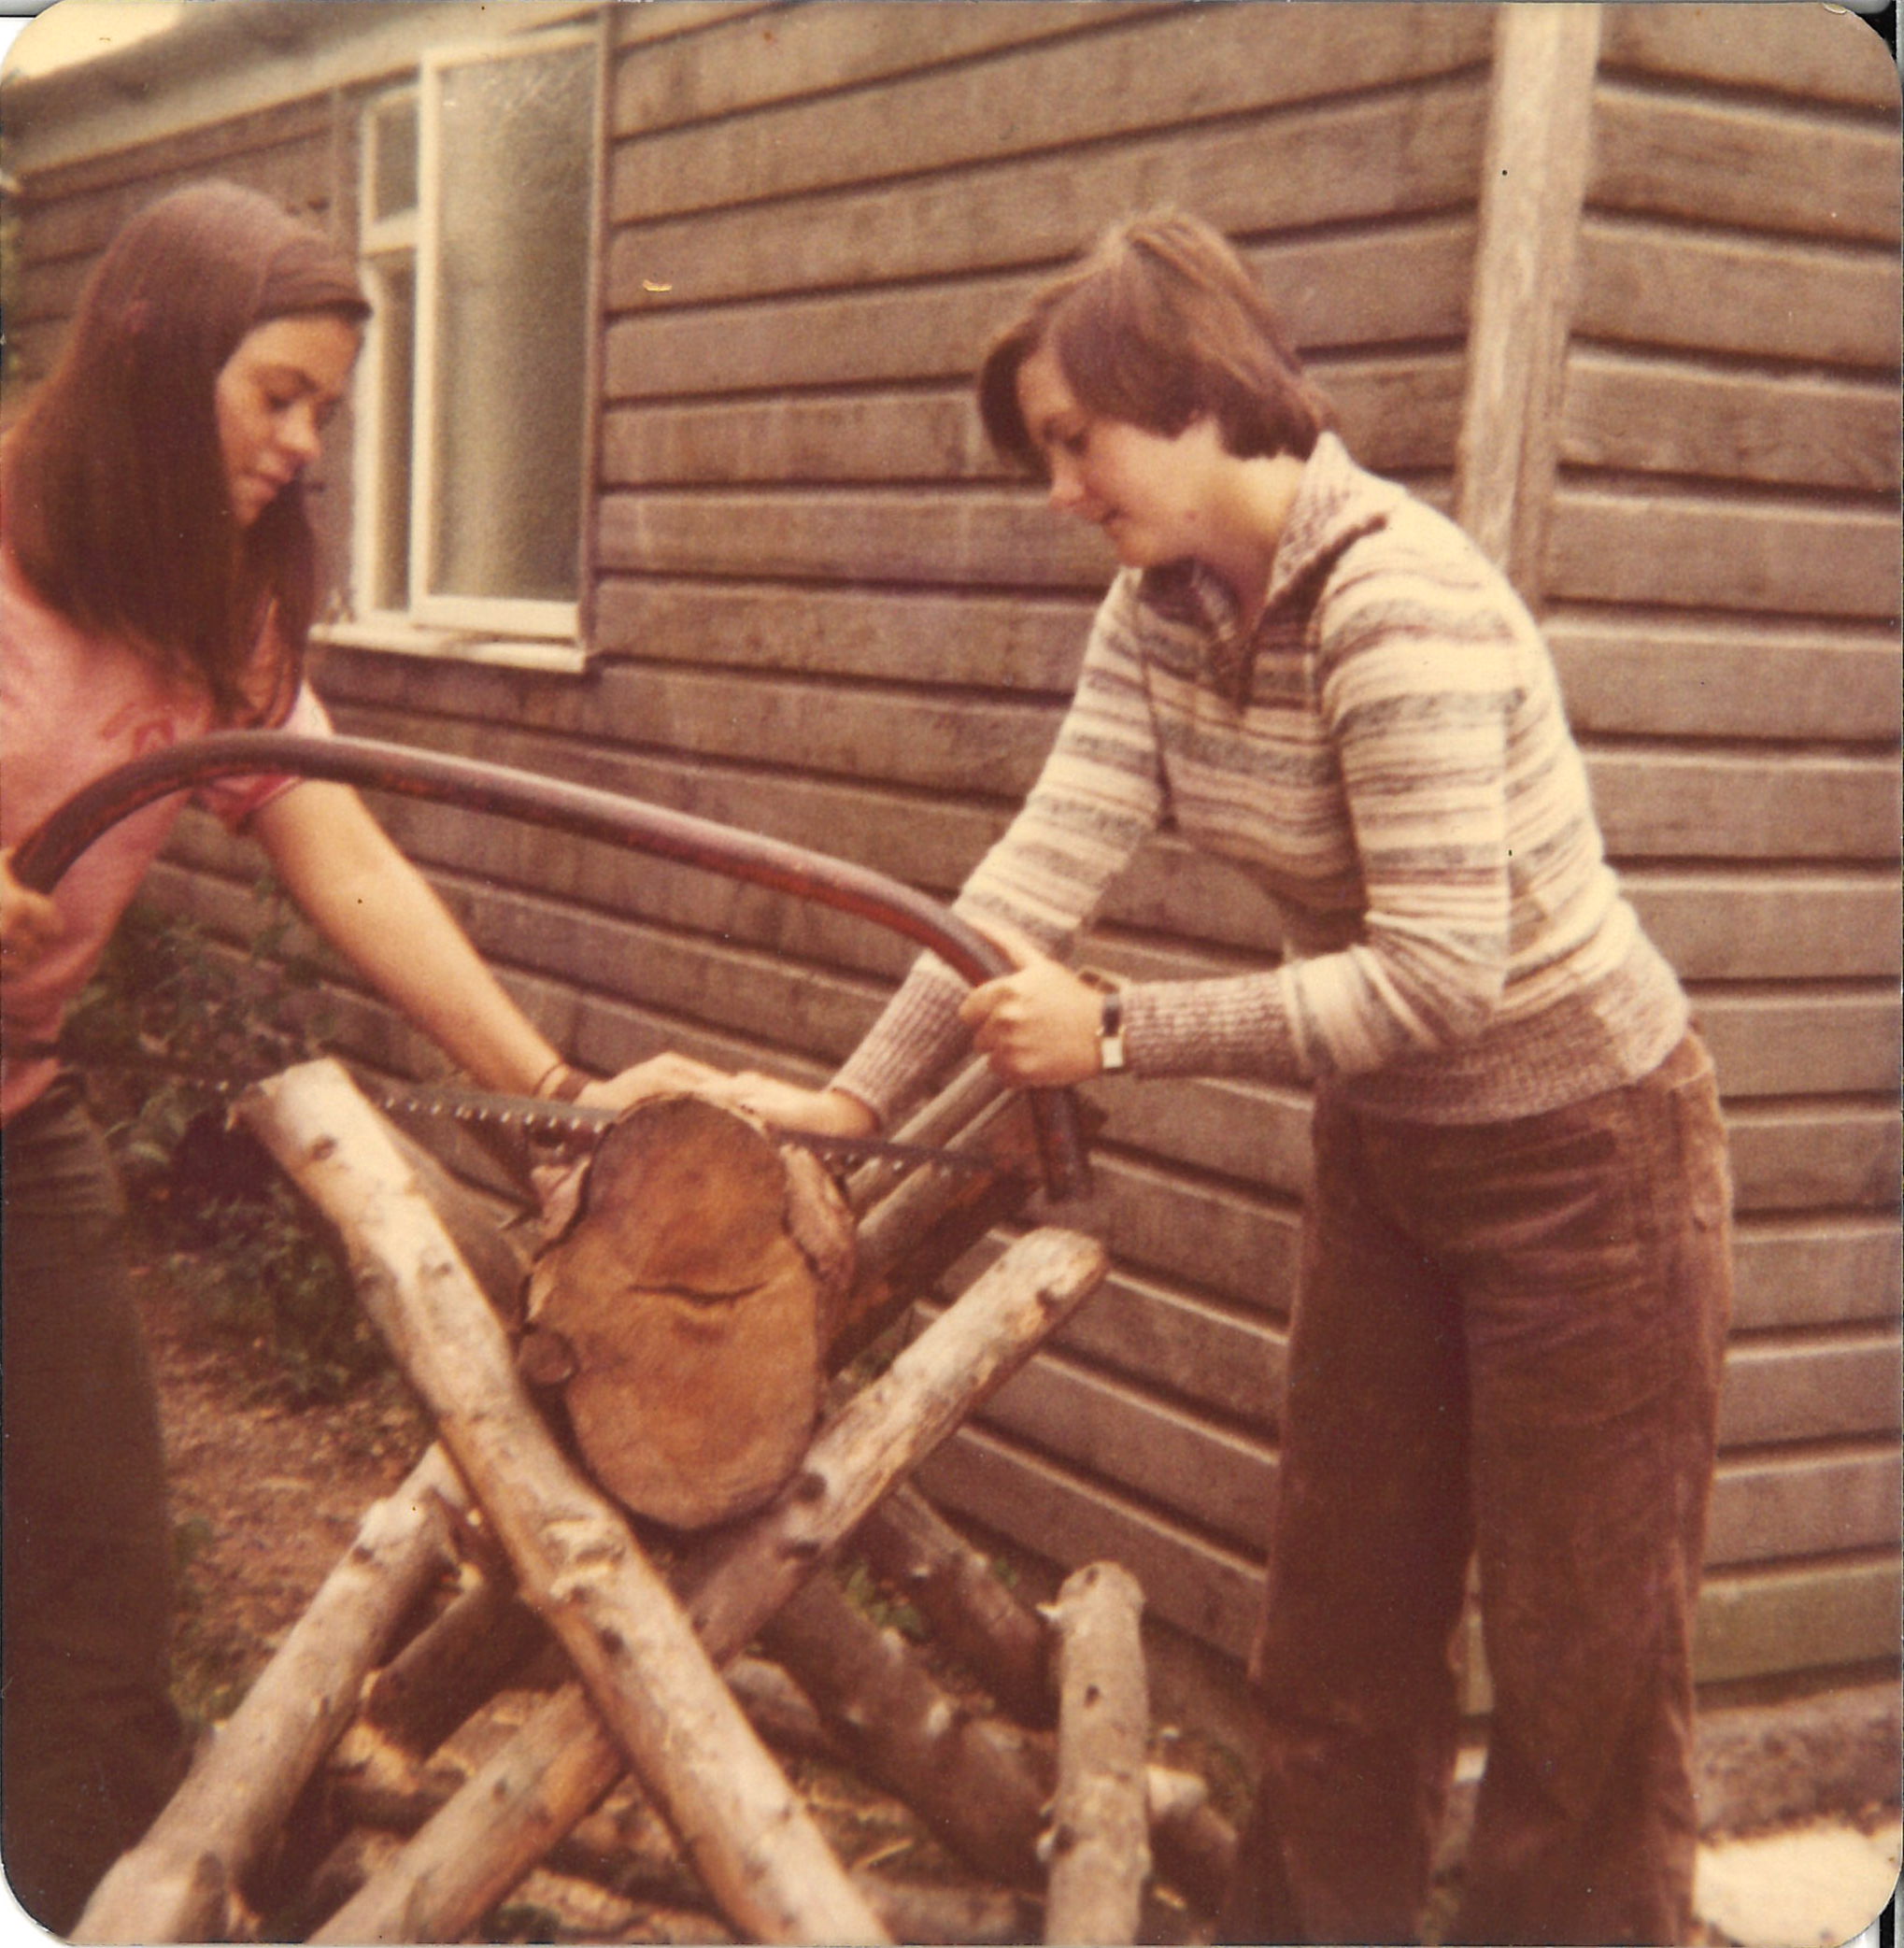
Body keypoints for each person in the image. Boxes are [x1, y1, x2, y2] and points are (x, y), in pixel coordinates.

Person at [718, 210, 1734, 1945]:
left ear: (1188, 396)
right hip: (1394, 1155)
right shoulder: (1160, 611)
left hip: (1591, 1165)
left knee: (1581, 1688)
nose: (1058, 490)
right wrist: (852, 1106)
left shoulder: (1397, 600)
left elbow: (1437, 972)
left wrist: (1117, 1031)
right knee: (1334, 1644)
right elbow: (1035, 870)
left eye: (1072, 442)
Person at [0, 179, 686, 1933]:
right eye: (277, 396)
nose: (306, 446)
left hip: (14, 1122)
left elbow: (346, 853)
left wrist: (550, 1097)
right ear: (156, 362)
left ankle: (104, 1901)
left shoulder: (214, 607)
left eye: (325, 407)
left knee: (96, 1576)